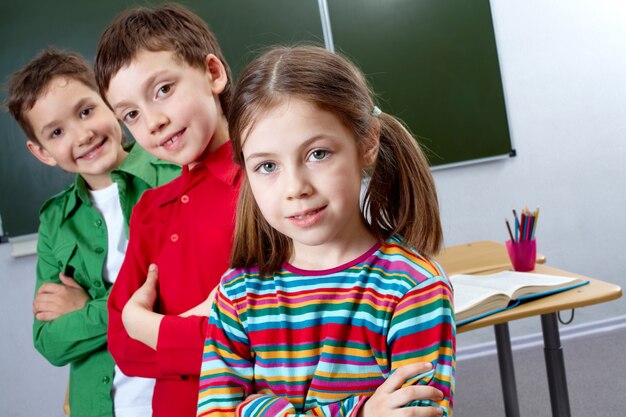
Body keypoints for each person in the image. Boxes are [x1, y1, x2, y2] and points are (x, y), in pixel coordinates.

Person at [196, 45, 455, 417]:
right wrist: (361, 412)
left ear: (367, 143)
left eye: (317, 154)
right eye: (267, 166)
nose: (294, 187)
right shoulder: (237, 296)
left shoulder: (413, 288)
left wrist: (261, 409)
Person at [4, 49, 180, 417]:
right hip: (98, 407)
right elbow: (49, 342)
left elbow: (183, 295)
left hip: (180, 398)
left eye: (86, 111)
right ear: (42, 152)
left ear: (109, 102)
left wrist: (85, 309)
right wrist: (128, 310)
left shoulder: (174, 175)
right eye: (56, 132)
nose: (82, 135)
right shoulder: (55, 221)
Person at [93, 4, 240, 417]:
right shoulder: (151, 209)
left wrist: (153, 328)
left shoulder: (268, 184)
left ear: (212, 74)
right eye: (131, 115)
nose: (153, 122)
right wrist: (206, 342)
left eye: (163, 90)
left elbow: (272, 334)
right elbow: (123, 345)